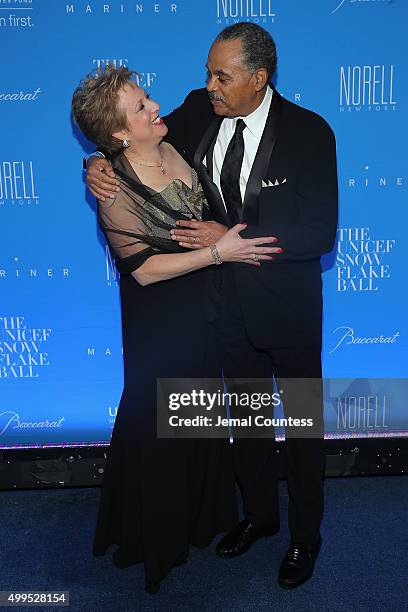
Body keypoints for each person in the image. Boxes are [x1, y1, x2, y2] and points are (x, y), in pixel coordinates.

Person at [86, 23, 338, 590]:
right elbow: (128, 138)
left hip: (288, 308)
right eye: (207, 72)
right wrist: (96, 164)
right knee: (247, 424)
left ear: (259, 78)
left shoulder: (309, 132)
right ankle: (260, 518)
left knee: (301, 429)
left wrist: (234, 238)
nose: (209, 85)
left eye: (222, 75)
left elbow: (319, 231)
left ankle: (305, 537)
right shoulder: (201, 109)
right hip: (221, 309)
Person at [72, 65, 279, 594]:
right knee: (161, 416)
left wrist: (91, 158)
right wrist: (217, 252)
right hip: (159, 319)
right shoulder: (115, 186)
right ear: (119, 132)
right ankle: (154, 536)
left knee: (202, 408)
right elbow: (141, 270)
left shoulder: (178, 131)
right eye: (140, 107)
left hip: (205, 310)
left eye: (146, 97)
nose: (154, 107)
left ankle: (203, 517)